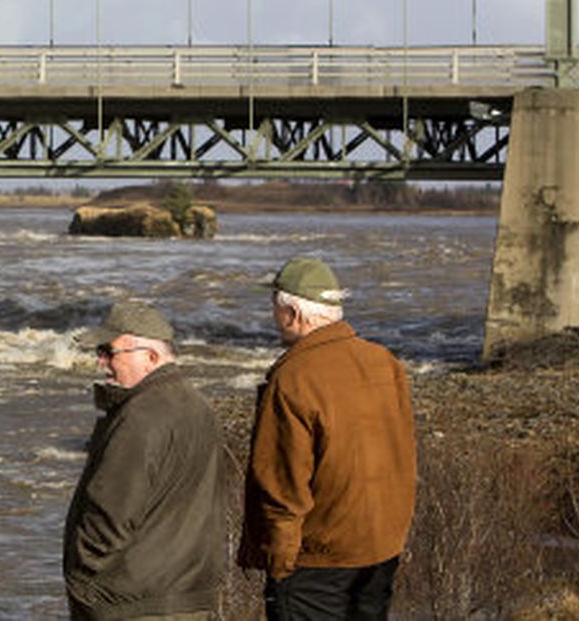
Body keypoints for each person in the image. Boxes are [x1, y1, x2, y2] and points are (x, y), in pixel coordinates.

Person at [239, 258, 416, 621]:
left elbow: (281, 483)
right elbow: (403, 455)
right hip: (380, 549)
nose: (273, 315)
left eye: (274, 305)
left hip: (316, 559)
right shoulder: (384, 362)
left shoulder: (293, 378)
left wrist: (279, 563)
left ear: (292, 312)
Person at [63, 298, 227, 621]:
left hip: (133, 604)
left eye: (109, 352)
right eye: (99, 353)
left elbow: (107, 519)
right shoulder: (199, 407)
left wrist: (82, 581)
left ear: (151, 357)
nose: (101, 363)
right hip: (190, 598)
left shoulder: (139, 418)